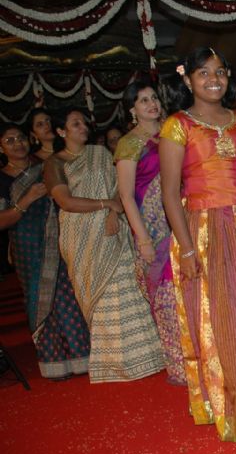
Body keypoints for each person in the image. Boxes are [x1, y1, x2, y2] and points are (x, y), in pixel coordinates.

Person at [160, 47, 236, 442]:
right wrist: (187, 249)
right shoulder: (177, 126)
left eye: (219, 72)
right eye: (203, 73)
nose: (213, 80)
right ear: (187, 79)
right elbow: (169, 193)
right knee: (223, 317)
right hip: (206, 229)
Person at [43, 107, 164, 383]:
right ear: (61, 131)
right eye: (75, 124)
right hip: (81, 236)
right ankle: (114, 365)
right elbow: (65, 201)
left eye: (83, 122)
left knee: (127, 286)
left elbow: (120, 188)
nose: (83, 127)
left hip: (113, 230)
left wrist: (113, 211)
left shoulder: (99, 153)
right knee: (102, 297)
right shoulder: (55, 163)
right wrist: (106, 204)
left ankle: (151, 356)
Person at [0, 123, 89, 379]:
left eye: (20, 138)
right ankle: (54, 363)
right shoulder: (2, 179)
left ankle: (82, 357)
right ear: (1, 148)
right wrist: (27, 200)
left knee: (68, 296)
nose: (17, 143)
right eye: (9, 140)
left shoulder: (45, 166)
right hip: (27, 247)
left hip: (58, 238)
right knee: (40, 299)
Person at [114, 81, 185, 385]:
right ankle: (180, 365)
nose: (152, 103)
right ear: (132, 109)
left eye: (154, 97)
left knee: (192, 291)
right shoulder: (129, 144)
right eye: (143, 100)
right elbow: (126, 195)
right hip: (154, 230)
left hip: (185, 220)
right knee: (167, 298)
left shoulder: (174, 131)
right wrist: (143, 238)